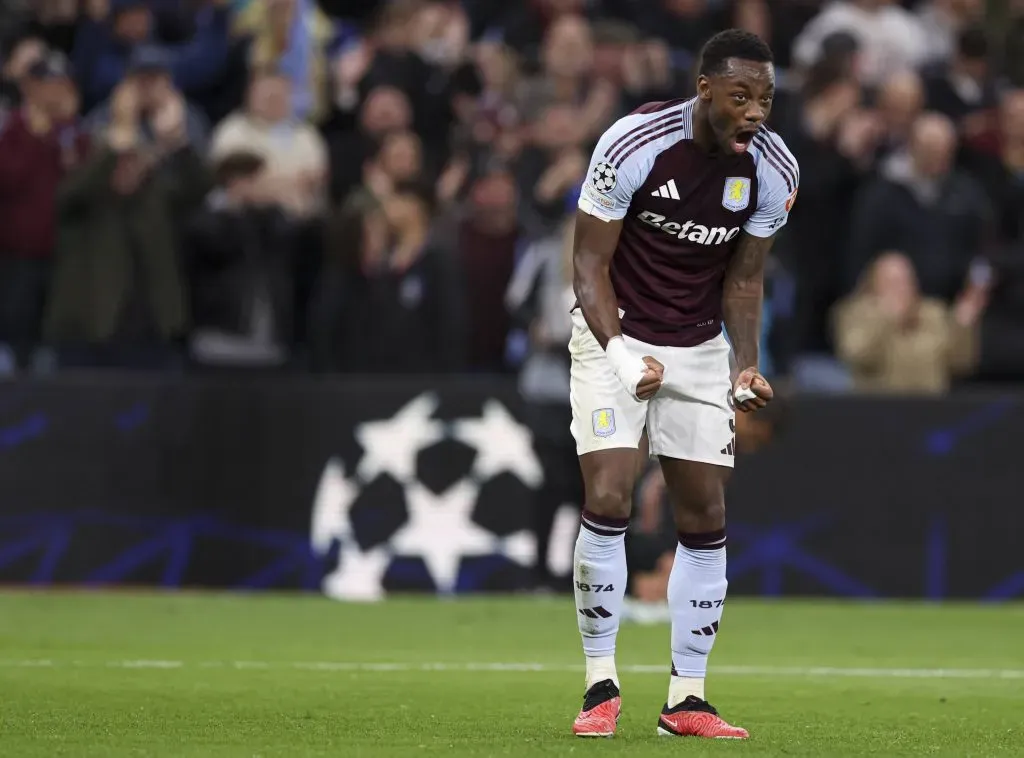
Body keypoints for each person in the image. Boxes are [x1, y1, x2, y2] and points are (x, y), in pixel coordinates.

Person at [568, 29, 799, 739]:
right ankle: (599, 685)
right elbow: (586, 265)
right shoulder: (634, 142)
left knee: (704, 515)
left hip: (699, 346)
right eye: (741, 96)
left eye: (765, 97)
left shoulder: (776, 170)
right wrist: (619, 352)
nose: (756, 111)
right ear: (705, 90)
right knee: (608, 492)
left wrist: (745, 364)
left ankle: (687, 700)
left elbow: (745, 279)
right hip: (615, 327)